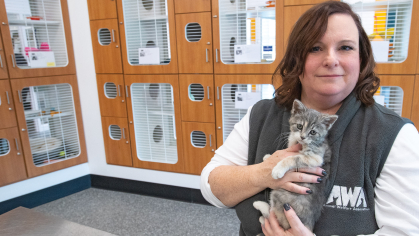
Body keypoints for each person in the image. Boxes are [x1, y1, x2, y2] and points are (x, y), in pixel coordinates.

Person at [200, 1, 419, 236]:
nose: (331, 60)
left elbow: (405, 231)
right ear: (296, 59)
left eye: (345, 47)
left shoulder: (393, 134)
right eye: (315, 48)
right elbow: (211, 187)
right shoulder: (261, 115)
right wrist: (263, 173)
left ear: (362, 60)